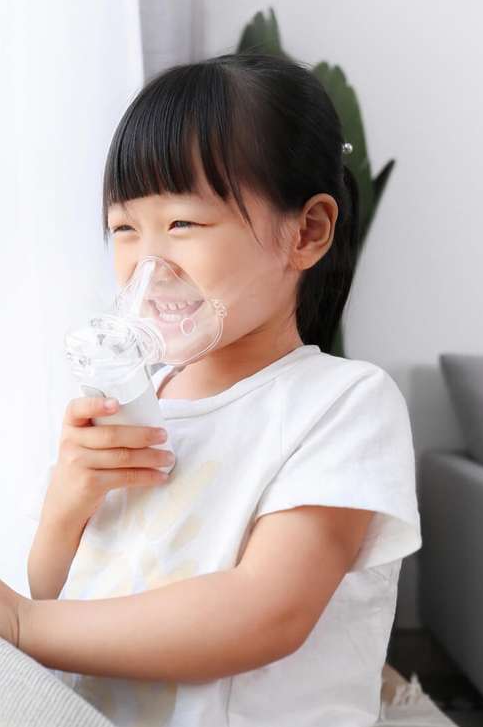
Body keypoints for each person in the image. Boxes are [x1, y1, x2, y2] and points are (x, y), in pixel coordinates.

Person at [26, 52, 422, 727]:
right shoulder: (141, 399)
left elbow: (267, 613)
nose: (149, 262)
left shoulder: (344, 402)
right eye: (124, 229)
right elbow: (54, 587)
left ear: (306, 232)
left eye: (182, 223)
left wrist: (20, 622)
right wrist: (67, 504)